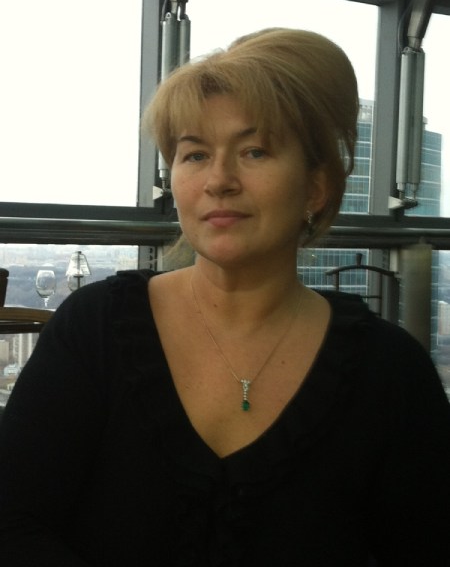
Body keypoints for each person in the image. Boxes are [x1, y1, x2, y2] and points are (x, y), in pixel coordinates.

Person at [0, 28, 450, 567]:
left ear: (316, 187)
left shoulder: (390, 372)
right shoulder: (94, 328)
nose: (219, 180)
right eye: (194, 154)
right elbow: (13, 522)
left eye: (254, 151)